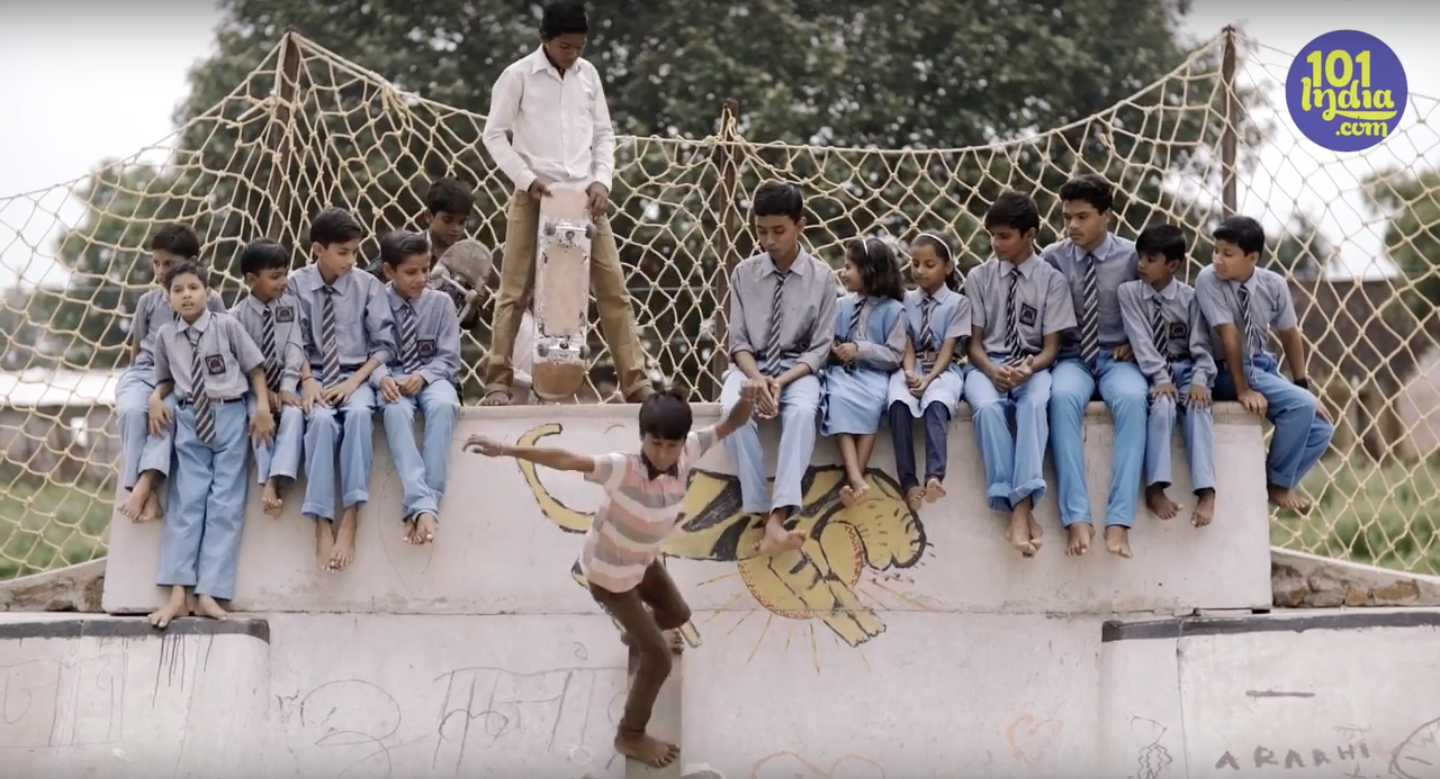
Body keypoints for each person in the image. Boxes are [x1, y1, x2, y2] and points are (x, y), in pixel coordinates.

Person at [463, 383, 758, 768]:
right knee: (660, 659)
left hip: (642, 562)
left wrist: (747, 401)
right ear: (643, 438)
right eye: (656, 444)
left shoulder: (688, 452)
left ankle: (636, 633)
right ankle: (630, 734)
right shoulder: (624, 467)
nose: (664, 454)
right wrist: (506, 449)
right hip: (608, 576)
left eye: (671, 446)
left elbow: (730, 424)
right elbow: (567, 459)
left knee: (678, 615)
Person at [480, 1, 653, 405]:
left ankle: (636, 382)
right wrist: (526, 179)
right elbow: (493, 135)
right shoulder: (517, 76)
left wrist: (602, 181)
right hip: (533, 194)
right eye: (565, 46)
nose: (572, 54)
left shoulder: (588, 75)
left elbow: (605, 134)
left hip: (585, 197)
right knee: (513, 291)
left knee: (613, 288)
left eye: (579, 46)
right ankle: (496, 382)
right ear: (544, 39)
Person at [145, 260, 272, 628]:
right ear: (168, 298)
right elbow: (165, 379)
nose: (186, 295)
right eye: (178, 290)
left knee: (224, 505)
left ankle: (209, 593)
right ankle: (178, 595)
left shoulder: (227, 326)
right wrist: (156, 397)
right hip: (188, 419)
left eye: (192, 288)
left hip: (229, 415)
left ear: (208, 291)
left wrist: (262, 407)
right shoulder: (167, 337)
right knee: (187, 504)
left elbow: (255, 370)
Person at [719, 180, 837, 557]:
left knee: (802, 413)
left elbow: (820, 348)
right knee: (730, 412)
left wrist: (781, 382)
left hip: (797, 370)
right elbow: (737, 341)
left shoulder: (822, 278)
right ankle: (757, 507)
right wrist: (757, 380)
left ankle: (779, 516)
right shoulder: (743, 273)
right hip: (751, 366)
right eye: (761, 231)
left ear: (800, 225)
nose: (769, 240)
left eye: (778, 231)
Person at [1196, 215, 1334, 511]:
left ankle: (1268, 480)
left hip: (1263, 365)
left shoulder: (1273, 284)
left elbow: (1289, 334)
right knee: (1300, 407)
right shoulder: (1209, 279)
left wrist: (1303, 385)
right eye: (1216, 250)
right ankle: (1278, 485)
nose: (1218, 259)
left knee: (1322, 427)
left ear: (1252, 258)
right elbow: (1228, 336)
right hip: (1224, 368)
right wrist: (1242, 388)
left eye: (1228, 254)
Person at [963, 191, 1075, 557]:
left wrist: (1028, 368)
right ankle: (1013, 504)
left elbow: (1051, 349)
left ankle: (1021, 509)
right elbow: (974, 345)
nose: (996, 243)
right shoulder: (978, 277)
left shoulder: (1052, 280)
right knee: (986, 408)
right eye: (992, 235)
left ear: (1030, 235)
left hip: (1033, 365)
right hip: (988, 364)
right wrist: (993, 370)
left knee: (1034, 405)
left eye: (1005, 236)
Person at [1043, 173, 1149, 558]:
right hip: (1071, 357)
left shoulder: (1134, 257)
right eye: (1068, 216)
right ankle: (1077, 518)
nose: (1072, 225)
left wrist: (1141, 348)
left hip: (1117, 358)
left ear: (1106, 216)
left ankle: (1119, 522)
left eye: (1083, 216)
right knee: (1061, 401)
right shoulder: (1051, 258)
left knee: (1136, 402)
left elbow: (1161, 304)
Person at [288, 207, 397, 572]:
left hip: (357, 375)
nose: (351, 260)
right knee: (318, 422)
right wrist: (308, 380)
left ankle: (351, 515)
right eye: (343, 252)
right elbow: (292, 340)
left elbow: (384, 345)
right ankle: (321, 521)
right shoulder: (295, 285)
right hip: (314, 374)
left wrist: (354, 381)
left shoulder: (368, 286)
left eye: (355, 252)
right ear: (319, 249)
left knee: (358, 416)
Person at [116, 225, 226, 523]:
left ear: (192, 263)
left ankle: (145, 486)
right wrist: (141, 385)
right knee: (130, 410)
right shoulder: (148, 302)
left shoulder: (211, 301)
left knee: (169, 414)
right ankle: (145, 492)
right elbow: (137, 348)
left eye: (170, 264)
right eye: (157, 263)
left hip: (185, 378)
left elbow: (221, 345)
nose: (161, 270)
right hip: (145, 372)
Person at [1119, 224, 1218, 533]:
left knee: (1199, 407)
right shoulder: (1129, 293)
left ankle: (1206, 491)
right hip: (1152, 369)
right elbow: (1141, 341)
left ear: (1173, 265)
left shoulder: (1190, 298)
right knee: (1162, 407)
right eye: (1140, 257)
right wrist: (1160, 377)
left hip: (1187, 368)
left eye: (1151, 259)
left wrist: (1201, 379)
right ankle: (1155, 487)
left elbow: (1201, 346)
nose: (1141, 265)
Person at [374, 230, 462, 546]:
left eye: (425, 269)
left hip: (433, 377)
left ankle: (424, 504)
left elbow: (449, 358)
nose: (421, 278)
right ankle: (424, 506)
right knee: (395, 412)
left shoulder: (441, 304)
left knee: (443, 406)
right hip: (392, 377)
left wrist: (423, 377)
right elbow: (366, 351)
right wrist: (383, 377)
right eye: (411, 272)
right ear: (388, 271)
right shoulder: (374, 302)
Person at [888, 232, 970, 509]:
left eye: (929, 264)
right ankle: (908, 483)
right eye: (915, 263)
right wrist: (910, 373)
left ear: (947, 267)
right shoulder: (904, 300)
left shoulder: (958, 303)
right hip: (911, 366)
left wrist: (929, 378)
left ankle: (934, 476)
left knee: (936, 403)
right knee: (898, 405)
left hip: (942, 369)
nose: (920, 270)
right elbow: (907, 342)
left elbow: (948, 349)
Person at [822, 237, 906, 507]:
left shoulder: (894, 311)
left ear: (870, 270)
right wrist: (836, 348)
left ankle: (853, 479)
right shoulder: (841, 305)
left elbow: (895, 355)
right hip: (843, 375)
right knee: (837, 399)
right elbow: (829, 338)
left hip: (874, 375)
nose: (843, 273)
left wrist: (861, 349)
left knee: (872, 404)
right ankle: (857, 477)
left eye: (850, 267)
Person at [233, 238, 306, 517]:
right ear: (252, 279)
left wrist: (287, 387)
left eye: (285, 274)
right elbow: (242, 363)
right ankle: (266, 480)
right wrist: (265, 395)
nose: (283, 282)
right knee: (258, 419)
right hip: (255, 389)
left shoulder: (291, 306)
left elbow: (295, 346)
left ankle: (276, 479)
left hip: (287, 384)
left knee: (295, 415)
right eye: (275, 276)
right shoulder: (237, 316)